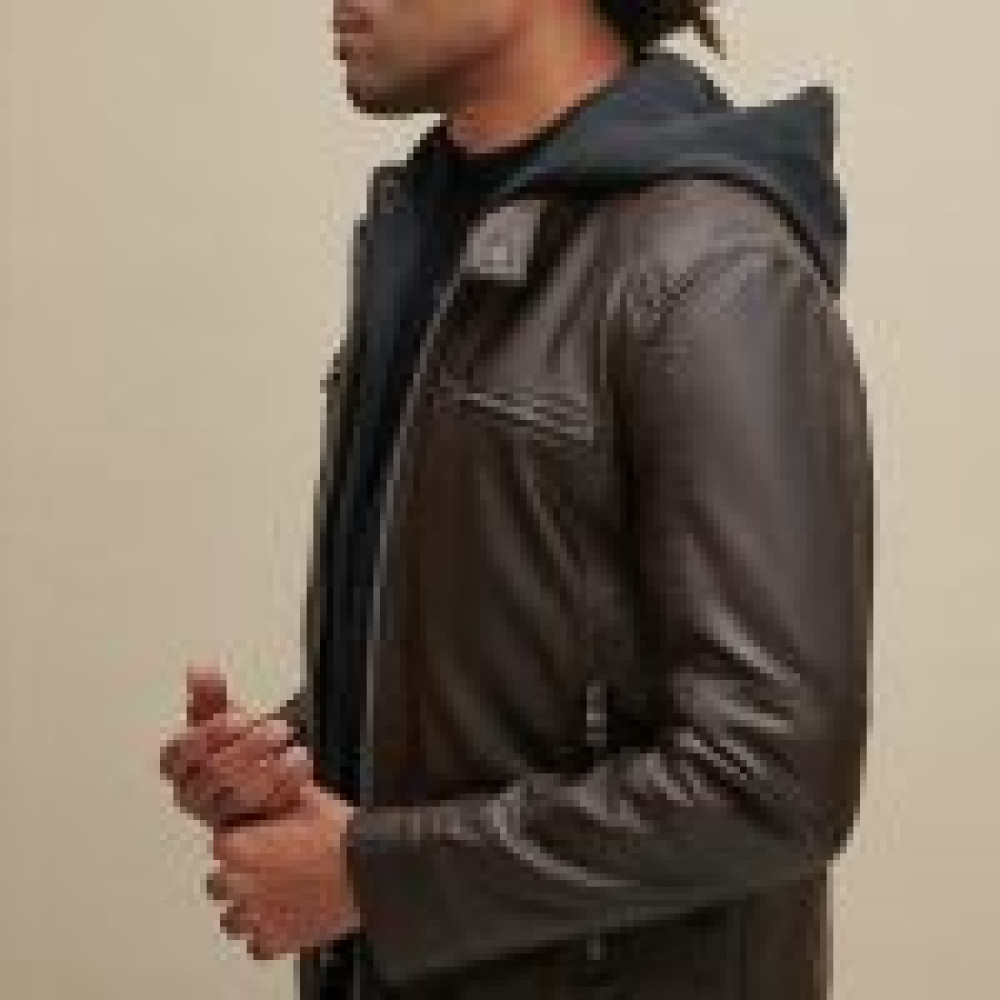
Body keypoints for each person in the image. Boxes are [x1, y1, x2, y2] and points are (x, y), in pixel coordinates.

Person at [159, 2, 874, 999]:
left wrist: (373, 877)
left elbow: (769, 779)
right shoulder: (433, 233)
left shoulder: (710, 269)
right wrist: (297, 755)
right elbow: (539, 668)